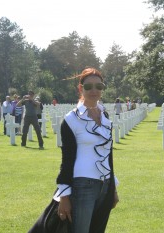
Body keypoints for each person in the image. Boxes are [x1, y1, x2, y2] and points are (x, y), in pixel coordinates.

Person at [54, 67, 119, 232]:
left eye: (99, 86)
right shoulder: (71, 120)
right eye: (88, 87)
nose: (94, 90)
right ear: (80, 88)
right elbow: (66, 160)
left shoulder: (105, 116)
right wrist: (64, 196)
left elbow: (108, 154)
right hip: (83, 185)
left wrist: (113, 187)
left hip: (105, 184)